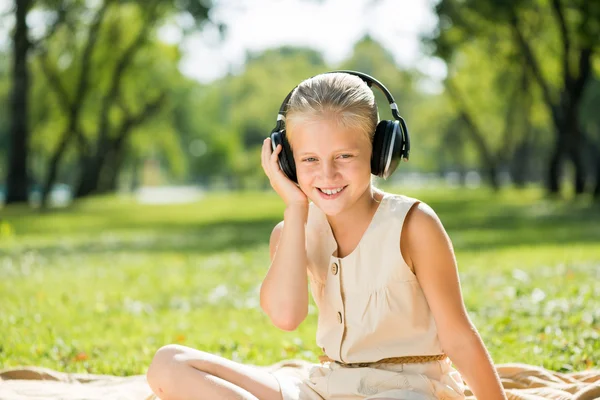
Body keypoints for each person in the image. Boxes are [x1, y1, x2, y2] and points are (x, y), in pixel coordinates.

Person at [146, 71, 507, 400]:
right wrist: (295, 208)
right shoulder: (292, 231)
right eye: (309, 160)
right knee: (169, 362)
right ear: (287, 162)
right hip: (326, 387)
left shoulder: (413, 225)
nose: (327, 175)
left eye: (345, 155)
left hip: (408, 389)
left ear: (381, 153)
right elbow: (286, 317)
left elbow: (459, 336)